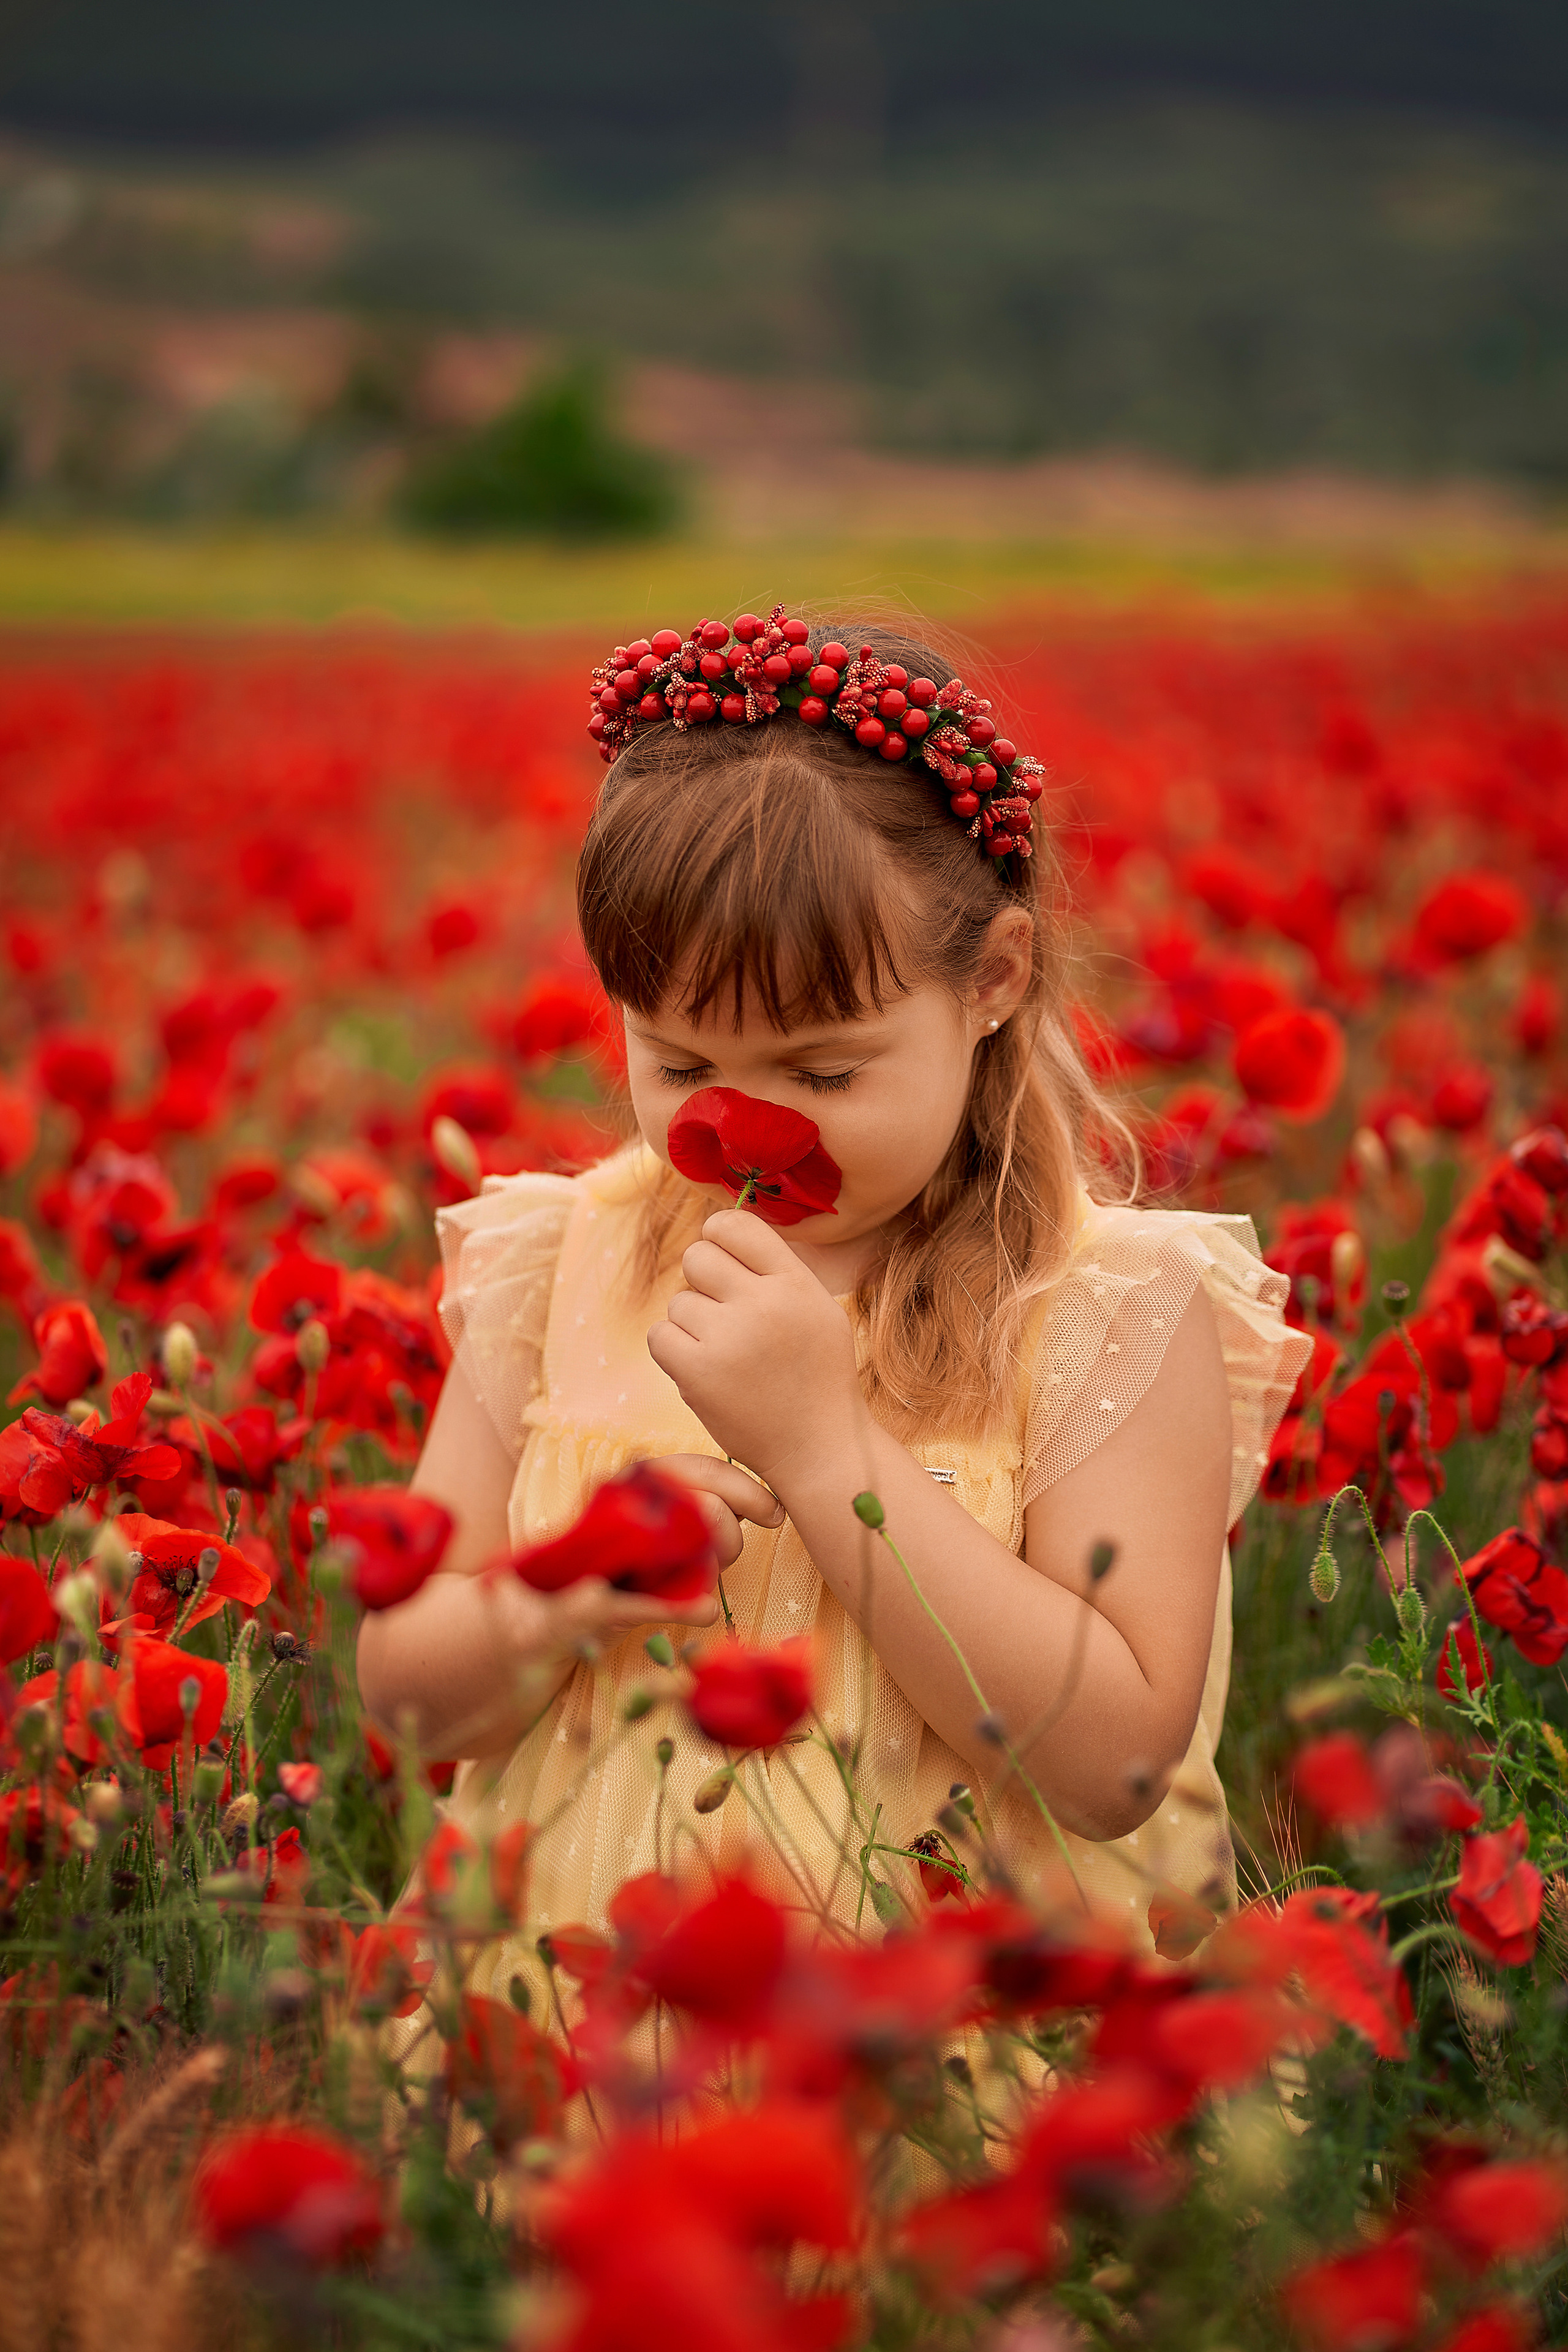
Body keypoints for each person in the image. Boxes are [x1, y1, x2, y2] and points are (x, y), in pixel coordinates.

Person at [358, 608, 1310, 1999]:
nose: (746, 1125)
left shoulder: (1099, 1311)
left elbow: (1112, 1768)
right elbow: (402, 1696)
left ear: (993, 979)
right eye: (681, 1067)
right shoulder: (561, 1265)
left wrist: (824, 1451)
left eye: (823, 1074)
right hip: (579, 2023)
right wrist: (563, 1593)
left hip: (940, 2040)